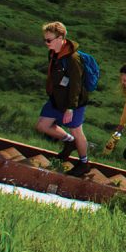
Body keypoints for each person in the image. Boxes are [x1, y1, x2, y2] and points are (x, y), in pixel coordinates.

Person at [36, 20, 91, 174]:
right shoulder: (53, 53)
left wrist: (71, 108)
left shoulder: (73, 59)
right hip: (56, 98)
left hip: (74, 102)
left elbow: (76, 85)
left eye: (49, 40)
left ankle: (84, 163)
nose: (46, 43)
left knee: (77, 130)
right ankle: (69, 142)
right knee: (42, 125)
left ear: (60, 38)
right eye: (45, 40)